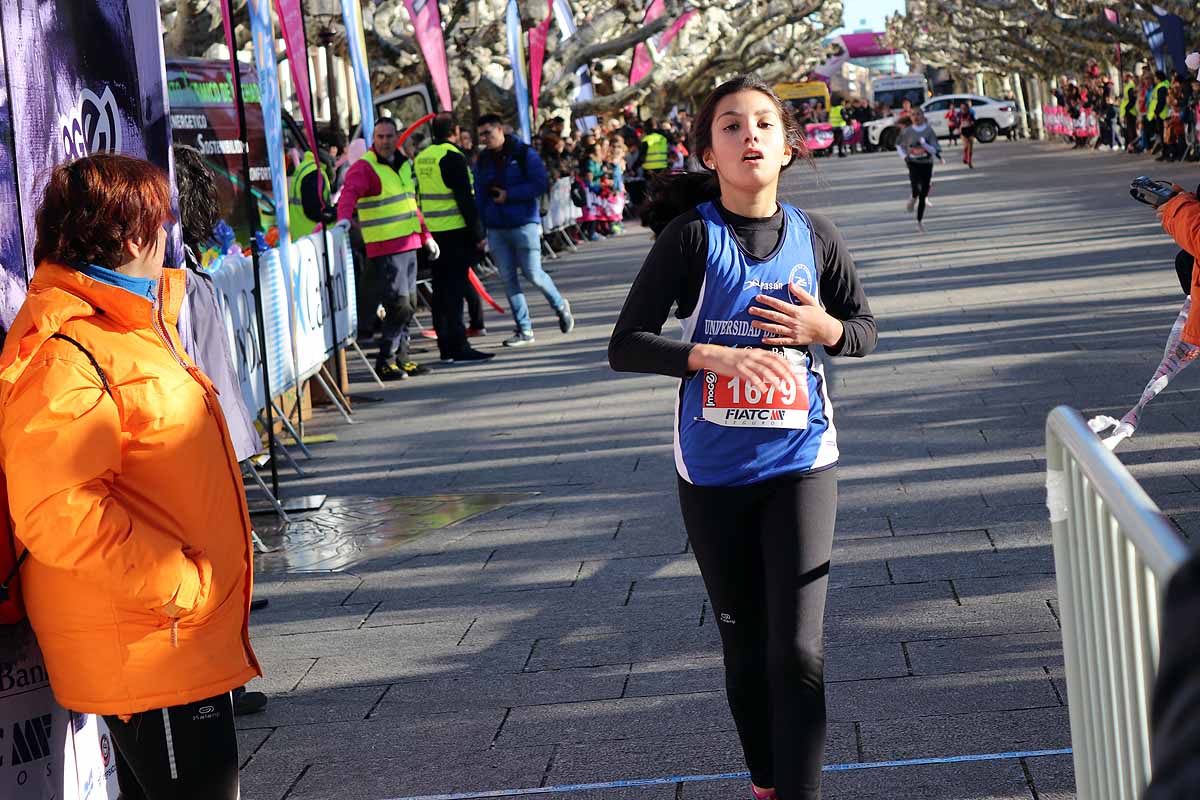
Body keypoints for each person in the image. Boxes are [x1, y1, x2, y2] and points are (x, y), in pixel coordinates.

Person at [609, 75, 876, 800]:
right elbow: (624, 345)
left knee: (798, 652)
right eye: (731, 125)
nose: (749, 135)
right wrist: (709, 356)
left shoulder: (816, 236)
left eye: (763, 124)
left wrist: (827, 331)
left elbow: (863, 330)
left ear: (789, 147)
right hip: (713, 474)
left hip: (802, 462)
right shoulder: (691, 238)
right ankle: (766, 784)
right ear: (707, 151)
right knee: (747, 653)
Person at [0, 153, 260, 799]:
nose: (169, 234)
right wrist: (177, 583)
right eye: (162, 220)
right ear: (136, 232)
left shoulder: (132, 327)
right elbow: (61, 509)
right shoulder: (67, 348)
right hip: (150, 641)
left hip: (170, 639)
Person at [336, 117, 439, 379]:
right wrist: (344, 219)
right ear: (373, 139)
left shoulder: (403, 165)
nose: (385, 141)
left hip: (409, 245)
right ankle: (385, 359)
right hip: (384, 248)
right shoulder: (365, 168)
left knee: (410, 304)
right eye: (380, 137)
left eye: (390, 136)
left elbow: (410, 205)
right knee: (399, 305)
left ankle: (403, 358)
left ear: (397, 137)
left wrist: (426, 235)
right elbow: (349, 194)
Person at [474, 113, 574, 347]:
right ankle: (524, 329)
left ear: (500, 130)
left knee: (533, 273)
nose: (484, 138)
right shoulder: (483, 160)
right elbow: (479, 193)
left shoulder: (523, 153)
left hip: (523, 223)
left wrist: (510, 195)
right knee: (508, 280)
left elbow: (540, 184)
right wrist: (480, 227)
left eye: (488, 133)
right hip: (496, 227)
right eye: (481, 135)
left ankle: (560, 305)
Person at [413, 113, 494, 364]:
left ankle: (445, 346)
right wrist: (478, 234)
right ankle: (459, 345)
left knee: (440, 292)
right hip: (455, 231)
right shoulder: (453, 156)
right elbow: (465, 200)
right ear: (455, 131)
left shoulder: (422, 157)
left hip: (432, 234)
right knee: (455, 291)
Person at [897, 109, 944, 233]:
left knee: (923, 193)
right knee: (915, 188)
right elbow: (898, 145)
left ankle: (919, 221)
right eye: (913, 115)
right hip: (913, 163)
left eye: (918, 114)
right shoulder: (907, 131)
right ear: (910, 117)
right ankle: (912, 198)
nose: (916, 117)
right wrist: (905, 157)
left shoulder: (929, 131)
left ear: (923, 116)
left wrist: (925, 145)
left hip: (927, 164)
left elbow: (935, 150)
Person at [957, 101, 976, 168]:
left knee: (970, 148)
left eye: (964, 108)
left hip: (970, 130)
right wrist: (959, 128)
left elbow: (974, 121)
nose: (963, 109)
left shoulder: (970, 114)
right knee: (965, 146)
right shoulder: (959, 114)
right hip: (963, 131)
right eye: (962, 108)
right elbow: (958, 123)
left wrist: (971, 122)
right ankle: (965, 157)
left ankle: (969, 161)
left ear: (967, 108)